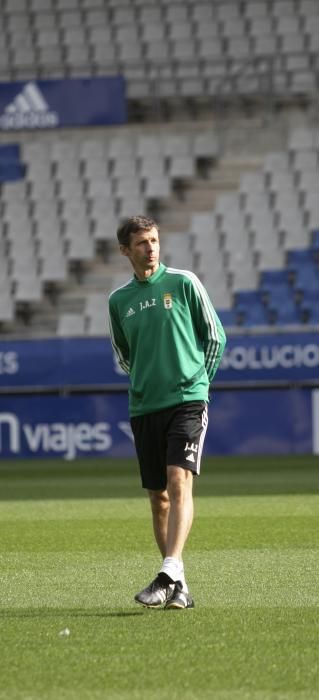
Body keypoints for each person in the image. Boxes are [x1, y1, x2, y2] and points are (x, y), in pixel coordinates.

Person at [108, 215, 226, 610]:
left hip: (187, 400)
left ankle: (166, 572)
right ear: (126, 250)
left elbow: (215, 336)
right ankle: (180, 585)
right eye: (141, 243)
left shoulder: (184, 282)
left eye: (154, 240)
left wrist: (199, 384)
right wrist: (148, 379)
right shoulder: (118, 301)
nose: (151, 248)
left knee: (179, 480)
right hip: (145, 406)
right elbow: (124, 356)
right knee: (158, 497)